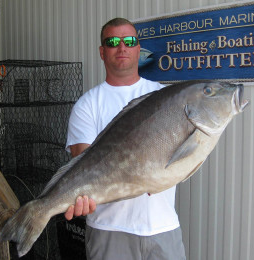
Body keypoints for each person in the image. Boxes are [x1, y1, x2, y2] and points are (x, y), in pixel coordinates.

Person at [65, 17, 186, 260]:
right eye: (112, 42)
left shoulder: (164, 97)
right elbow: (82, 167)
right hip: (109, 231)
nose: (122, 47)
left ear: (138, 49)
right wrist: (79, 197)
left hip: (163, 227)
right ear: (102, 52)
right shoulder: (87, 105)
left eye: (129, 41)